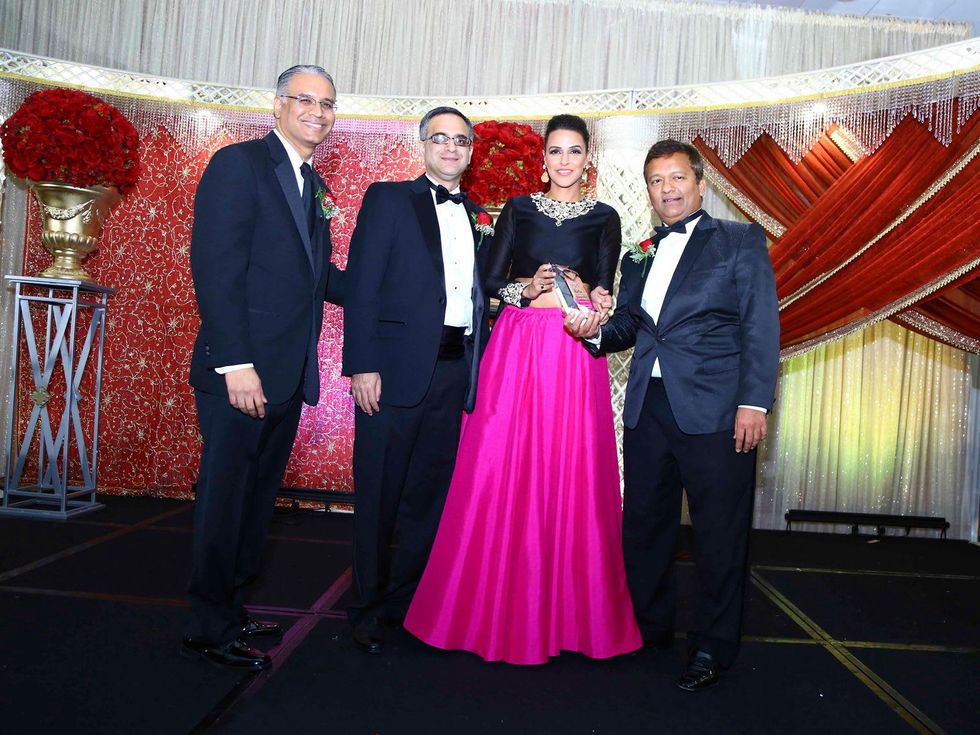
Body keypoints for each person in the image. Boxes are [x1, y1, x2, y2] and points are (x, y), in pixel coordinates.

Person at [404, 114, 642, 665]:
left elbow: (607, 290)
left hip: (570, 349)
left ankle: (569, 614)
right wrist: (524, 285)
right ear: (543, 159)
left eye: (574, 151)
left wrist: (598, 298)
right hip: (517, 345)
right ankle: (482, 607)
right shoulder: (519, 209)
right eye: (555, 151)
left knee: (569, 467)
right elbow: (487, 285)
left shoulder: (606, 218)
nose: (564, 161)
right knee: (497, 462)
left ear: (589, 160)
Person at [579, 139, 779, 690]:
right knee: (644, 525)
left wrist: (754, 402)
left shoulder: (738, 240)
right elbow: (628, 328)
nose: (666, 190)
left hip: (718, 410)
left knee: (719, 534)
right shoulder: (639, 251)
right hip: (649, 407)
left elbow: (760, 326)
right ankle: (647, 628)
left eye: (676, 179)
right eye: (656, 181)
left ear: (699, 184)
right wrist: (592, 331)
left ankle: (713, 649)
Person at [183, 65, 345, 670]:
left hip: (285, 373)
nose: (317, 112)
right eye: (305, 100)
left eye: (327, 103)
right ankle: (206, 626)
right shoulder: (239, 164)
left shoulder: (313, 181)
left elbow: (318, 277)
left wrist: (395, 296)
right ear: (277, 106)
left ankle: (232, 607)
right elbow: (216, 268)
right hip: (241, 373)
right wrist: (236, 364)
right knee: (225, 500)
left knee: (256, 504)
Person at [342, 107, 492, 654]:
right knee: (379, 497)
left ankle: (409, 607)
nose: (450, 148)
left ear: (471, 150)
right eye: (440, 139)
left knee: (428, 502)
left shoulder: (480, 215)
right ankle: (365, 609)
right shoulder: (388, 198)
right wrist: (361, 363)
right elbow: (362, 286)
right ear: (422, 144)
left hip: (455, 375)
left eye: (460, 140)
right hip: (392, 374)